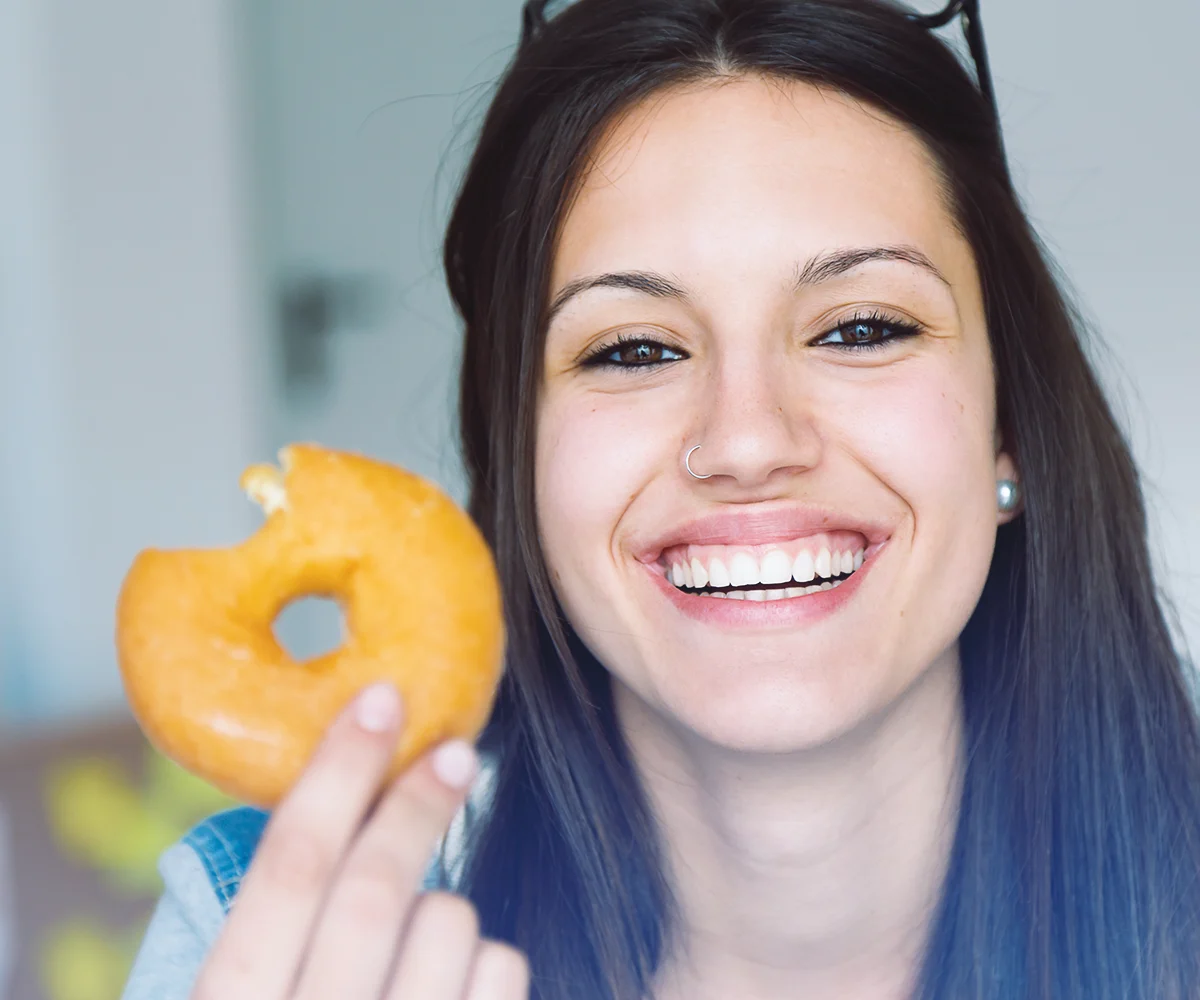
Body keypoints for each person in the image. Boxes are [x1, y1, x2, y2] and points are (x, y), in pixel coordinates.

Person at [121, 0, 1200, 997]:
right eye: (633, 348)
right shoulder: (259, 936)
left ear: (1008, 422)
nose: (745, 440)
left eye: (861, 327)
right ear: (524, 456)